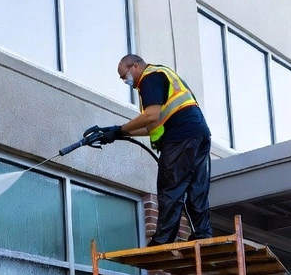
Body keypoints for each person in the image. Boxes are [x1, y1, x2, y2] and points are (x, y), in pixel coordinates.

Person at [83, 54, 214, 245]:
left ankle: (163, 240)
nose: (124, 81)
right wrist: (118, 133)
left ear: (134, 66)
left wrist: (120, 129)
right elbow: (151, 126)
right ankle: (202, 234)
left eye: (123, 76)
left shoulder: (149, 78)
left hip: (180, 138)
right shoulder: (163, 74)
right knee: (196, 188)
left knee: (170, 188)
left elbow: (151, 116)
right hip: (199, 135)